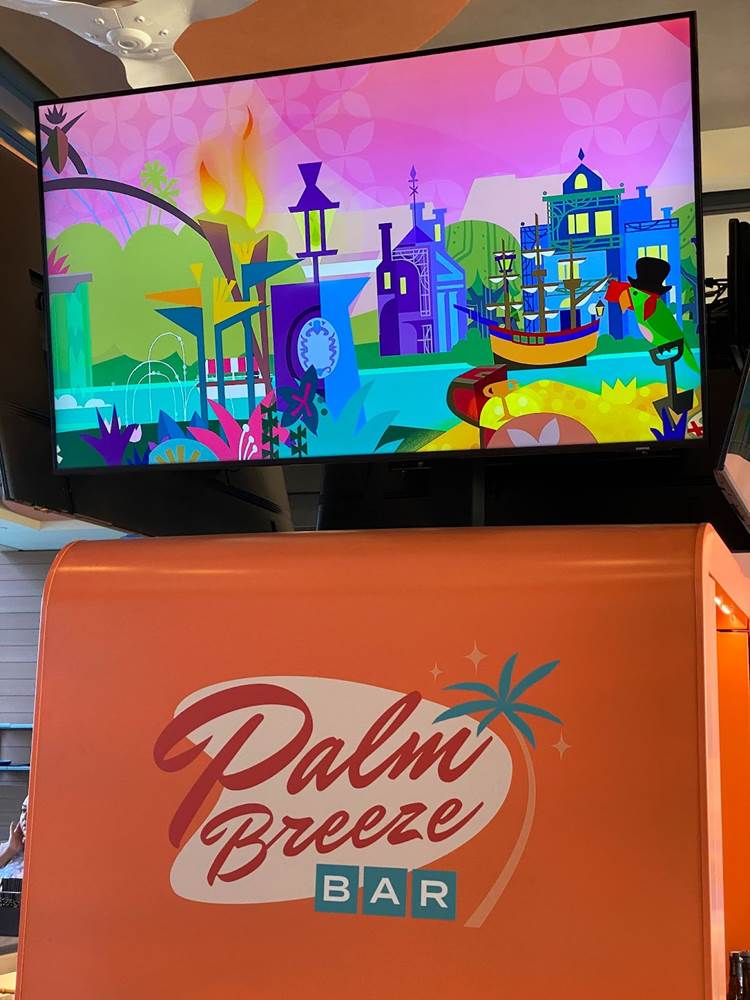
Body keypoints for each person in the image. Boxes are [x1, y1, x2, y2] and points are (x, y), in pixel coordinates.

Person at [0, 797, 27, 878]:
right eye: (24, 810)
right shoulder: (4, 848)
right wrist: (9, 851)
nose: (25, 816)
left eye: (32, 811)